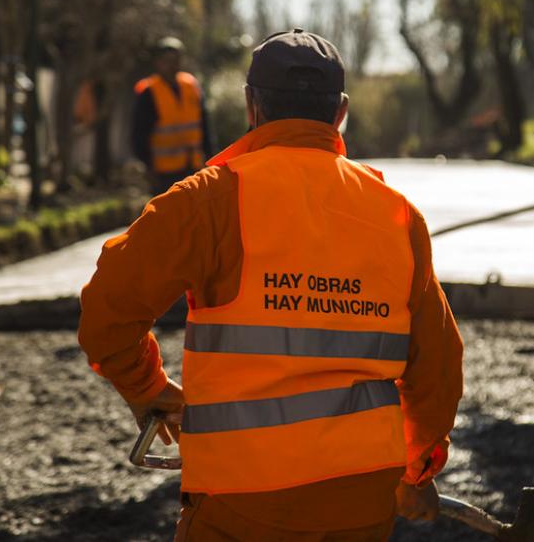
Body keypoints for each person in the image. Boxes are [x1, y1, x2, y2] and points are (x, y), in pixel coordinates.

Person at [78, 29, 463, 541]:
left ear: (251, 105)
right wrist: (416, 472)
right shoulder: (397, 215)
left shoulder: (208, 200)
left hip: (240, 502)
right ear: (341, 112)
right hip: (360, 502)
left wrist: (148, 388)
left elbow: (107, 316)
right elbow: (437, 368)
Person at [132, 37, 214, 195]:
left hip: (193, 167)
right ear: (158, 62)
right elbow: (139, 135)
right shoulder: (149, 92)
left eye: (176, 59)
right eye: (167, 60)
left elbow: (205, 126)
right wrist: (148, 167)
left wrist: (210, 158)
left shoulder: (191, 85)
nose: (172, 65)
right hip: (163, 172)